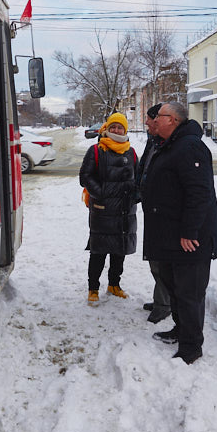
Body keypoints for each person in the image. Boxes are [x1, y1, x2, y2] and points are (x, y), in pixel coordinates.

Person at [140, 101, 217, 364]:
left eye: (158, 117)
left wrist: (189, 231)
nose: (152, 121)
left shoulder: (190, 147)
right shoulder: (170, 144)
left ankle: (191, 347)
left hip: (190, 240)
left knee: (189, 294)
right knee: (175, 289)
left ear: (172, 120)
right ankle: (180, 329)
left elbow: (200, 193)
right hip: (170, 238)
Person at [79, 112, 139, 304]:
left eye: (120, 127)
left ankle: (114, 284)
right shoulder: (97, 150)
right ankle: (93, 288)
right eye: (112, 127)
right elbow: (85, 177)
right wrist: (102, 193)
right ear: (106, 128)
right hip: (102, 209)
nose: (116, 130)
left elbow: (138, 178)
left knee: (119, 251)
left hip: (124, 211)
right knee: (98, 251)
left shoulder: (131, 152)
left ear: (125, 130)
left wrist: (135, 196)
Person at [136, 103, 171, 324]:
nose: (147, 122)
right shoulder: (154, 142)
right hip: (152, 208)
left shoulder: (167, 146)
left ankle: (164, 304)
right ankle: (161, 299)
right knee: (154, 258)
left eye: (150, 119)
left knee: (161, 260)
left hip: (163, 212)